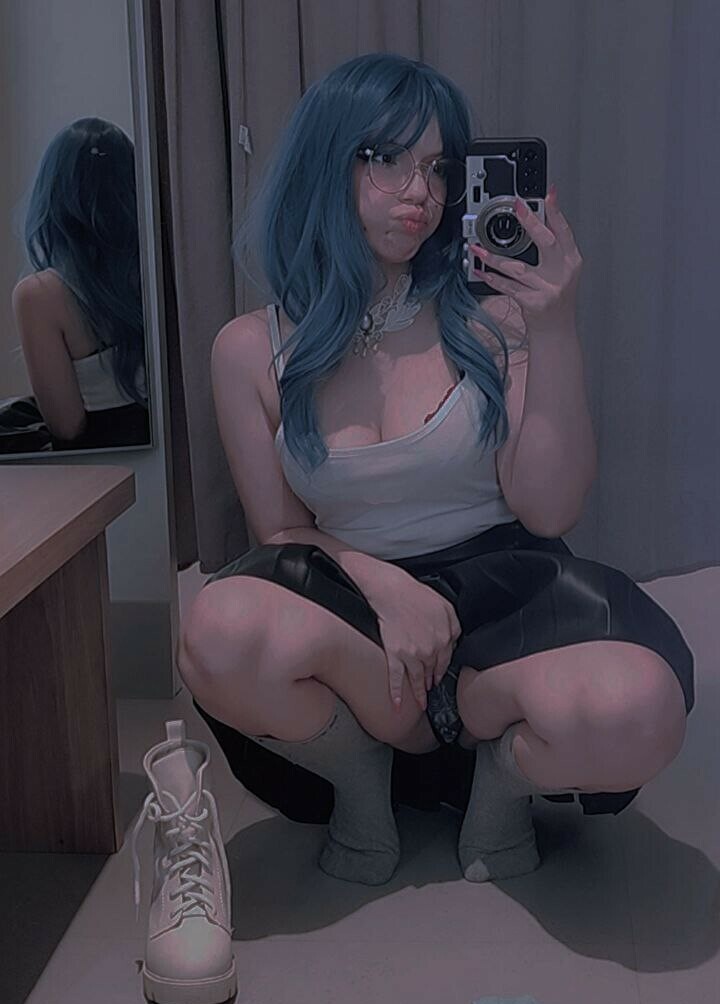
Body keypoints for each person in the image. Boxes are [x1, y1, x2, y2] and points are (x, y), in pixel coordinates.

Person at [178, 52, 694, 887]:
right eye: (387, 159)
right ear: (328, 160)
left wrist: (554, 325)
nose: (420, 191)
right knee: (217, 630)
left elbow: (550, 508)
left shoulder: (493, 320)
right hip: (349, 610)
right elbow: (278, 533)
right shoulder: (249, 349)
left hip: (505, 603)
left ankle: (500, 774)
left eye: (438, 168)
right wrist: (387, 587)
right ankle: (359, 776)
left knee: (641, 709)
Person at [7, 117, 149, 451]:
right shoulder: (159, 271)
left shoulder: (39, 295)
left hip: (103, 469)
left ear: (52, 192)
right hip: (174, 455)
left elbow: (67, 425)